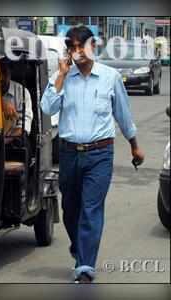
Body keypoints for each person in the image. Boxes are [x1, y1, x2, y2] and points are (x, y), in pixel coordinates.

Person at [40, 26, 145, 283]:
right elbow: (46, 107)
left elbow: (123, 114)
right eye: (73, 48)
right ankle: (80, 246)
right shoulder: (61, 77)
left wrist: (134, 145)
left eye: (82, 46)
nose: (78, 53)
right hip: (68, 154)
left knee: (91, 209)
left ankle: (85, 266)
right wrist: (62, 77)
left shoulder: (110, 77)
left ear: (93, 46)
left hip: (100, 154)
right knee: (70, 209)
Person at [0, 62, 33, 145]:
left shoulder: (22, 92)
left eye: (4, 72)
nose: (1, 78)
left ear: (10, 72)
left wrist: (6, 140)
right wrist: (1, 103)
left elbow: (24, 125)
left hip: (11, 139)